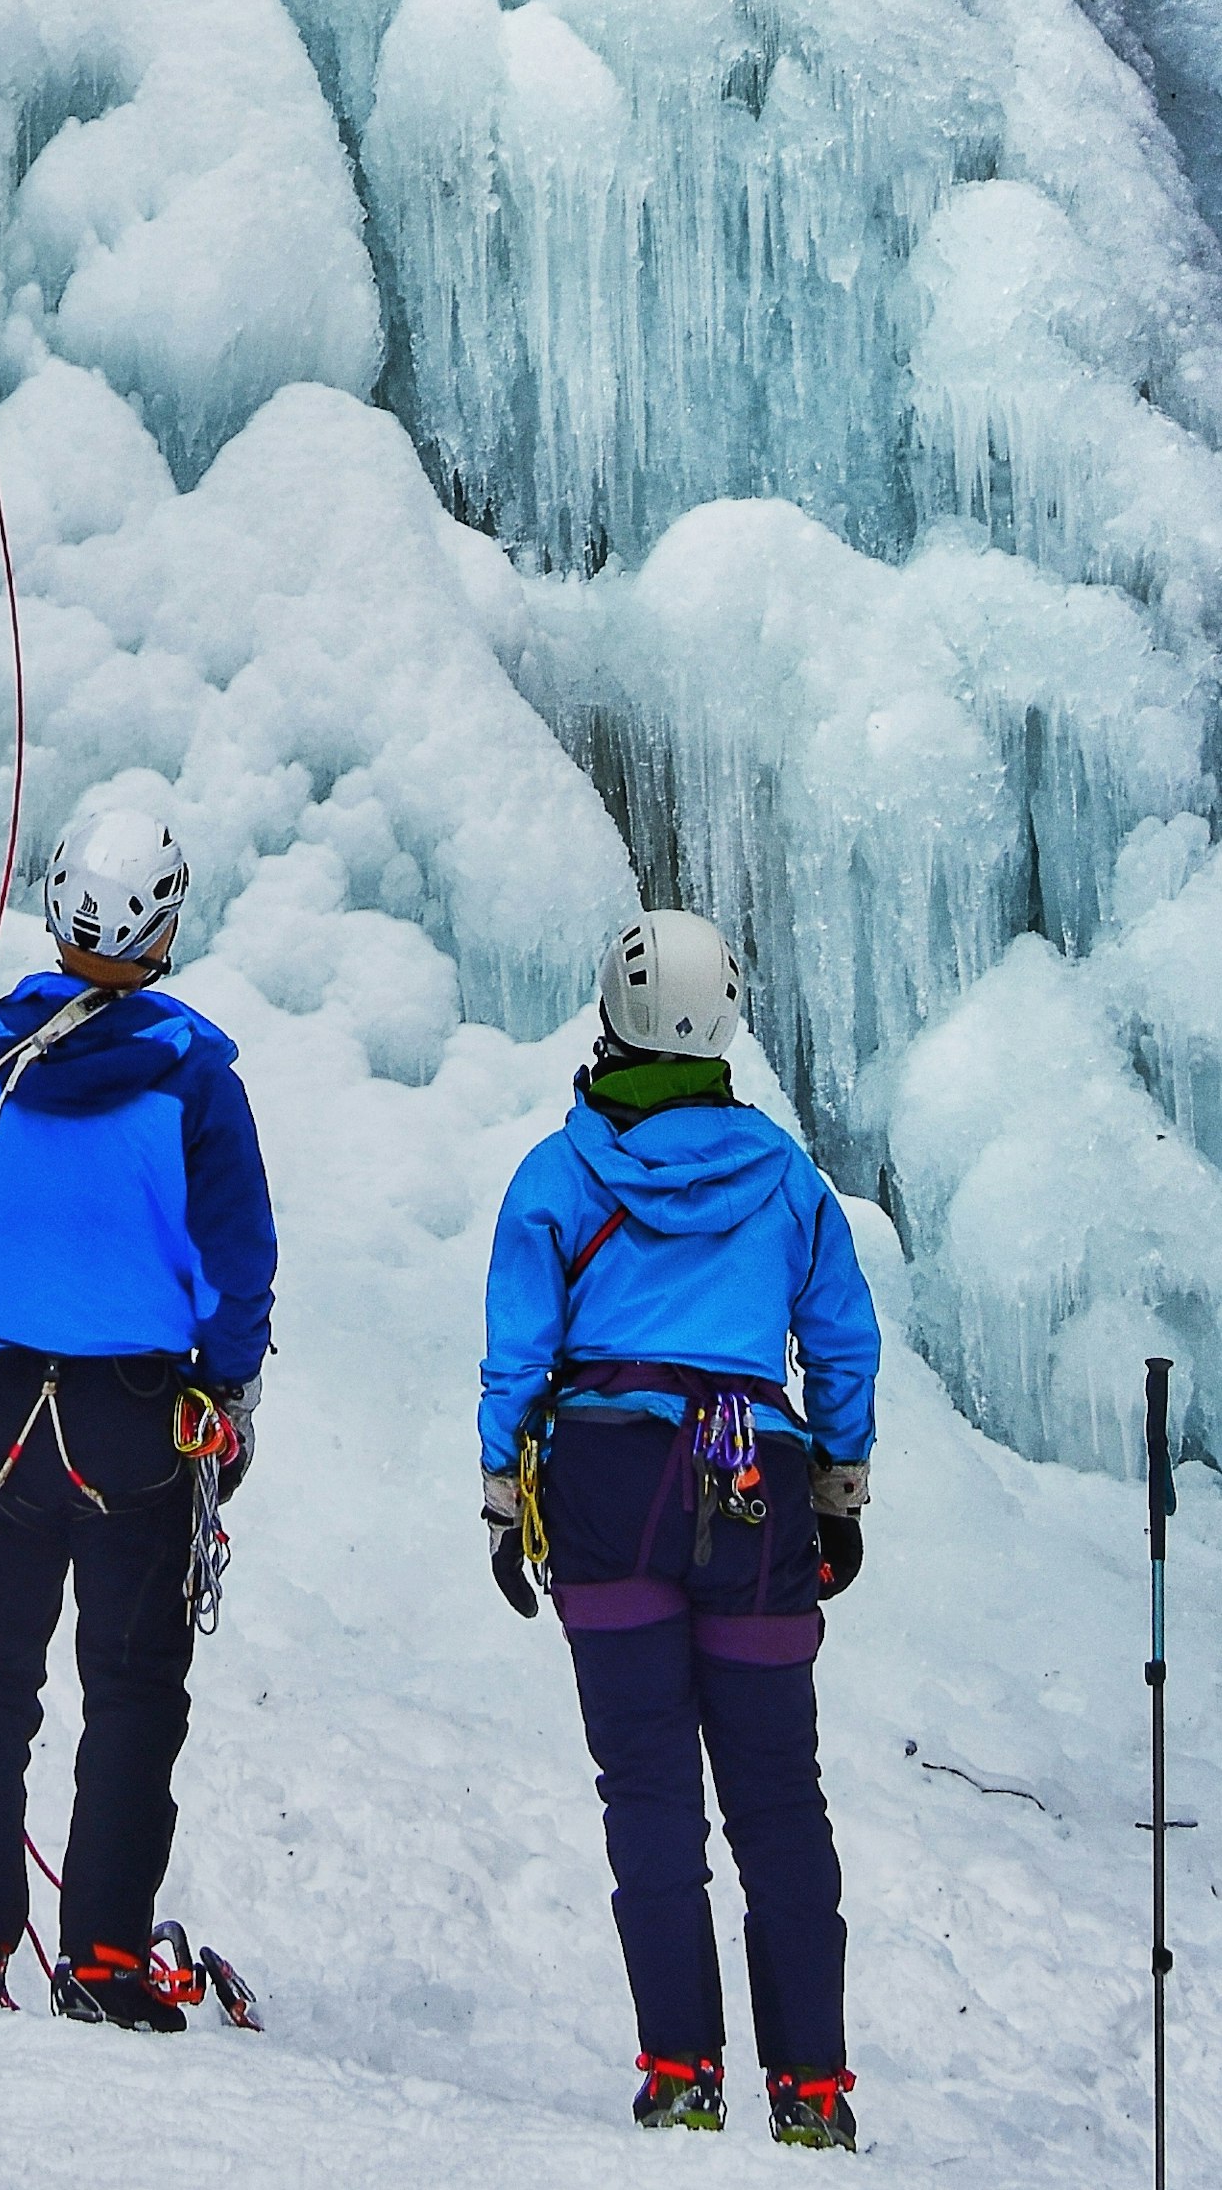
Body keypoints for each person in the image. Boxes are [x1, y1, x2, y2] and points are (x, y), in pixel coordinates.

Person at [479, 910, 879, 2151]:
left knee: (648, 1786)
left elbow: (517, 1352)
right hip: (753, 1473)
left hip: (608, 1479)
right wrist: (840, 1489)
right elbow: (843, 1336)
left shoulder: (559, 1173)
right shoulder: (784, 1175)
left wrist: (504, 1493)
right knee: (777, 1798)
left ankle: (681, 2072)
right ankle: (810, 2090)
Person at [0, 780, 274, 2027]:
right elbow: (234, 1260)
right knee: (133, 1688)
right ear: (162, 923)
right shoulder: (195, 1078)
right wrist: (231, 1388)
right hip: (136, 1425)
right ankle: (104, 1956)